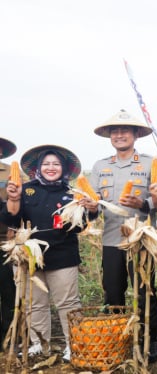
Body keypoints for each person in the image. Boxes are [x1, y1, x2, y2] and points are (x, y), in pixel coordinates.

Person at [0, 145, 98, 361]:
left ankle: (74, 344)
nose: (51, 167)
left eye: (56, 164)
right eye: (46, 164)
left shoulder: (72, 193)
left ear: (64, 169)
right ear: (38, 168)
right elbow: (12, 220)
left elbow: (80, 226)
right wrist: (14, 199)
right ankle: (38, 344)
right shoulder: (25, 189)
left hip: (62, 255)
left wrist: (90, 209)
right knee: (34, 302)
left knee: (68, 303)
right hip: (28, 255)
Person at [89, 109, 157, 363]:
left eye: (124, 130)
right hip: (111, 240)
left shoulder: (149, 163)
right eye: (115, 131)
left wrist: (142, 204)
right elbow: (94, 205)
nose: (119, 135)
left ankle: (149, 340)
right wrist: (89, 208)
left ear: (135, 134)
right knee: (113, 293)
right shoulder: (100, 166)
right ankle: (118, 338)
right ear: (110, 136)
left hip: (141, 240)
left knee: (145, 292)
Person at [0, 137, 18, 352]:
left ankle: (8, 335)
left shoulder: (9, 173)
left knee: (7, 289)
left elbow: (18, 204)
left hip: (4, 241)